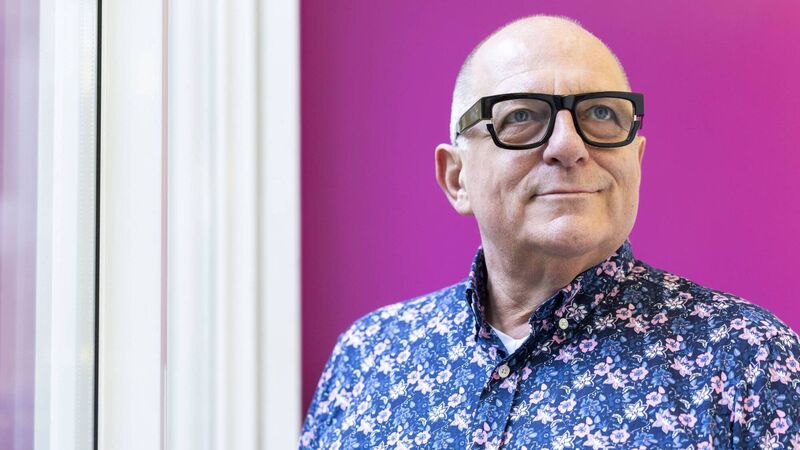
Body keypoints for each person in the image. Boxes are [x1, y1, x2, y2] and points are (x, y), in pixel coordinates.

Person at [299, 14, 800, 449]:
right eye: (521, 116)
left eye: (600, 114)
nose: (568, 145)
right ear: (456, 178)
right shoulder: (368, 358)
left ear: (636, 161)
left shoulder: (749, 361)